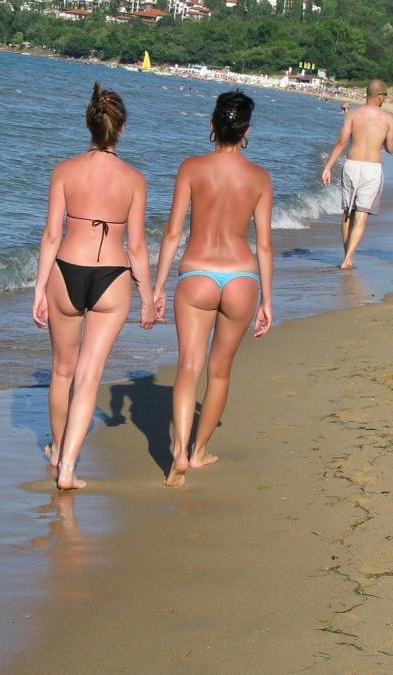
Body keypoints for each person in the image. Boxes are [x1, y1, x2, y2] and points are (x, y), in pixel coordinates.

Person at [32, 83, 156, 490]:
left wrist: (39, 289)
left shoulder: (64, 171)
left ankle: (56, 451)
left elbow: (52, 235)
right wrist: (148, 296)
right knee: (88, 376)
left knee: (62, 371)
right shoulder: (135, 180)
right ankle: (68, 468)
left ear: (89, 124)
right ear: (122, 129)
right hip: (112, 278)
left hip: (66, 272)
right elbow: (137, 246)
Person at [153, 91, 274, 487]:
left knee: (189, 367)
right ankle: (199, 451)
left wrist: (158, 285)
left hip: (197, 275)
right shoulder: (260, 178)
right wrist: (268, 300)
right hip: (242, 278)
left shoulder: (191, 168)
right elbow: (265, 245)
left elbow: (173, 233)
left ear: (212, 125)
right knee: (219, 373)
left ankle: (178, 452)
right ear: (247, 131)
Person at [321, 80, 393, 270]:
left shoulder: (353, 114)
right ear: (381, 96)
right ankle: (348, 258)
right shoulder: (387, 118)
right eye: (385, 96)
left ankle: (347, 255)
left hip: (351, 165)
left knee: (348, 213)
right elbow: (391, 148)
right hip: (372, 168)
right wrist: (383, 139)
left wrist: (328, 167)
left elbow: (341, 142)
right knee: (362, 214)